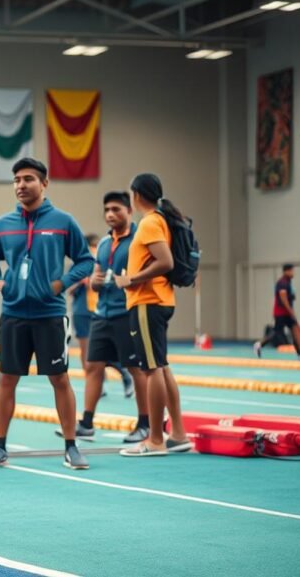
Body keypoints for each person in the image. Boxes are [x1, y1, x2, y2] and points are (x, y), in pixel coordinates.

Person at [0, 157, 94, 470]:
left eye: (28, 179)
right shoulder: (3, 225)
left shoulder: (63, 221)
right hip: (13, 313)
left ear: (44, 183)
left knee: (59, 378)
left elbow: (85, 261)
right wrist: (0, 283)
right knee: (7, 379)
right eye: (17, 179)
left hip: (50, 314)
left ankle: (71, 446)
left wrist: (62, 283)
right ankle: (0, 446)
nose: (21, 185)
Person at [114, 174, 192, 457]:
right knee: (161, 366)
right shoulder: (159, 220)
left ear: (136, 195)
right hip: (158, 299)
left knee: (151, 369)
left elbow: (165, 262)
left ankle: (156, 439)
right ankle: (178, 434)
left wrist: (132, 279)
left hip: (148, 301)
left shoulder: (149, 223)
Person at [78, 192, 149, 443]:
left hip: (127, 313)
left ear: (129, 210)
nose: (110, 214)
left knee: (136, 369)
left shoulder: (140, 239)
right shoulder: (105, 244)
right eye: (107, 209)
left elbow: (156, 268)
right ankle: (86, 423)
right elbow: (97, 280)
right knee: (94, 367)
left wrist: (131, 279)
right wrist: (95, 282)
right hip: (101, 314)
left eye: (116, 209)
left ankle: (144, 423)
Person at [68, 233, 134, 406]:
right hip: (82, 310)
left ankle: (125, 374)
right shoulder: (79, 263)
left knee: (102, 351)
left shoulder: (104, 258)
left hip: (102, 310)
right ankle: (100, 383)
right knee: (87, 352)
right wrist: (81, 282)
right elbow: (69, 288)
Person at [253, 264, 300, 361]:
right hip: (281, 313)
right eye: (291, 271)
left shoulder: (288, 282)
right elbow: (283, 298)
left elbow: (289, 296)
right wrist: (291, 311)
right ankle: (259, 344)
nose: (293, 273)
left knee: (294, 331)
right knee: (277, 332)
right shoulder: (282, 282)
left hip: (287, 313)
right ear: (286, 271)